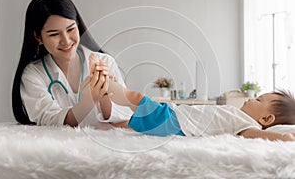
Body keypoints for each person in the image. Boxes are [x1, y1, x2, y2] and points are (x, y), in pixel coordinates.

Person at [12, 0, 132, 127]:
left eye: (71, 29)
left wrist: (105, 97)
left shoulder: (104, 62)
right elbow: (50, 122)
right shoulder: (33, 75)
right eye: (54, 34)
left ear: (78, 25)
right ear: (38, 37)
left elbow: (124, 121)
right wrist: (89, 100)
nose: (66, 41)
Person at [93, 69, 295, 141]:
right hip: (178, 118)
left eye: (258, 100)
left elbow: (257, 136)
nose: (251, 99)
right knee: (132, 122)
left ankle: (106, 84)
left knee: (136, 97)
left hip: (175, 122)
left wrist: (282, 137)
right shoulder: (239, 116)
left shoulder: (246, 125)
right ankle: (108, 124)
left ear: (266, 119)